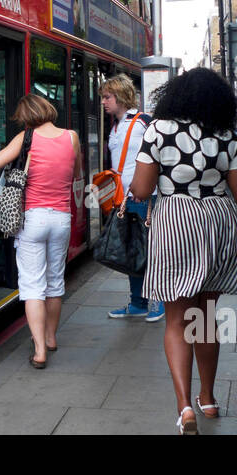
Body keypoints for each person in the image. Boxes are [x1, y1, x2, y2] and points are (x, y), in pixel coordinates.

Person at [129, 69, 237, 434]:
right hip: (218, 222)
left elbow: (141, 189)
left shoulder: (159, 130)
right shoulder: (227, 135)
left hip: (176, 223)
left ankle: (184, 407)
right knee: (206, 317)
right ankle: (208, 398)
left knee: (177, 320)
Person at [0, 93, 82, 369]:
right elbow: (77, 172)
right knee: (55, 283)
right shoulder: (71, 137)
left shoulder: (26, 139)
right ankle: (52, 338)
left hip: (32, 218)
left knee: (32, 285)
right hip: (62, 219)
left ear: (27, 117)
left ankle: (39, 349)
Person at [100, 75, 163, 322]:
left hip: (146, 197)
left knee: (151, 251)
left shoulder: (143, 122)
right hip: (123, 199)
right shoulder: (115, 126)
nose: (104, 102)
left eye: (108, 97)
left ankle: (158, 301)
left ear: (122, 96)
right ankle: (138, 303)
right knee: (132, 251)